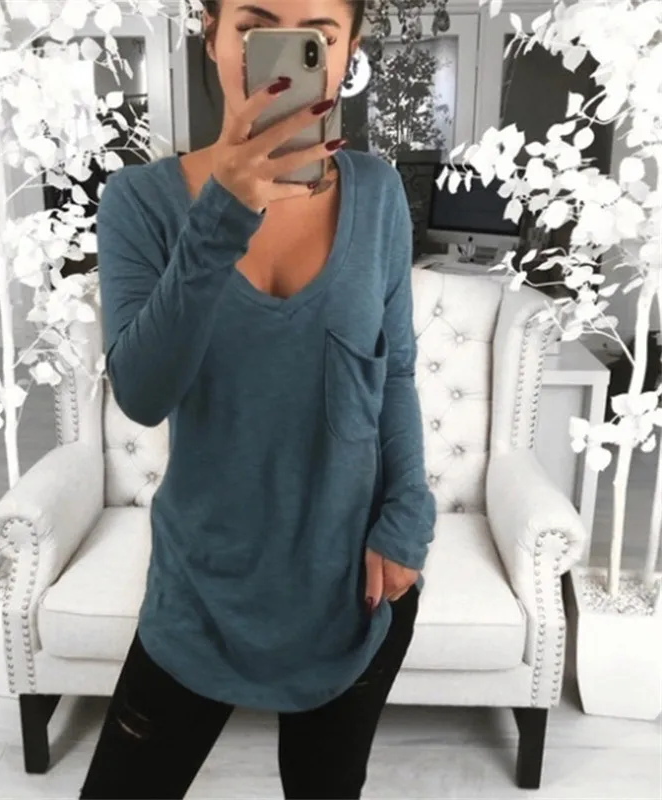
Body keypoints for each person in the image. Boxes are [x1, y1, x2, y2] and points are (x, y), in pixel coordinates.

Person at [79, 1, 436, 797]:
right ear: (211, 35)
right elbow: (141, 394)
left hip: (353, 585)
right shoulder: (139, 202)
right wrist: (224, 211)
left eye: (319, 36)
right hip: (202, 590)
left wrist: (409, 513)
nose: (282, 56)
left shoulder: (377, 193)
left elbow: (395, 371)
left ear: (346, 52)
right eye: (255, 26)